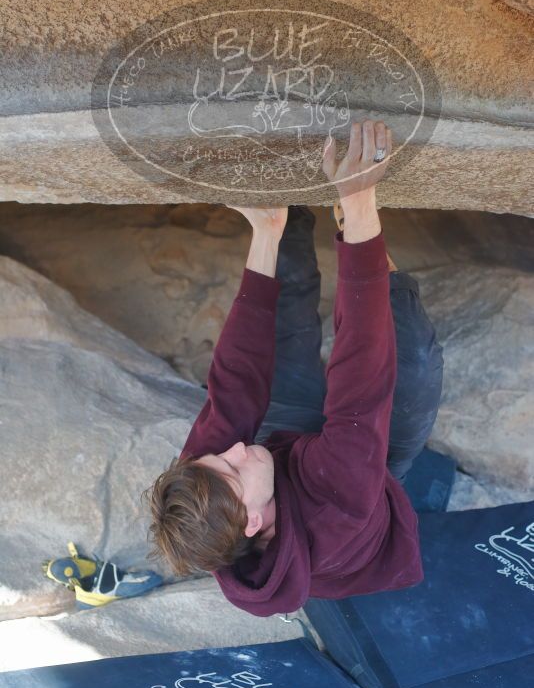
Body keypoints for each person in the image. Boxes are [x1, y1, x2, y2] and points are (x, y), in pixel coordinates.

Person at [142, 119, 444, 617]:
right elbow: (359, 377)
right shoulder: (338, 509)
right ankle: (349, 216)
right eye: (234, 468)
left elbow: (236, 383)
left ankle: (292, 208)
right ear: (254, 523)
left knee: (279, 292)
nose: (234, 450)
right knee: (405, 351)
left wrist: (264, 234)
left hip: (292, 456)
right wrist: (360, 204)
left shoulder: (209, 487)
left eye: (218, 459)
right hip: (368, 468)